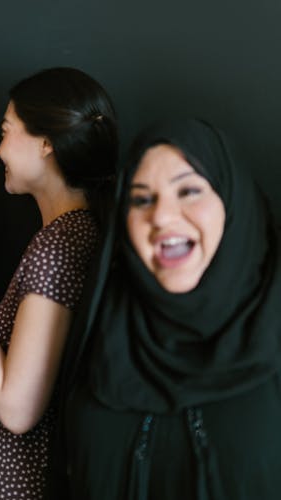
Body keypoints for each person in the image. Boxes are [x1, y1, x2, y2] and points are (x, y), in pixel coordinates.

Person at [60, 119, 281, 499]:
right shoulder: (103, 332)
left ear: (233, 203)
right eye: (142, 199)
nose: (161, 216)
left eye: (189, 191)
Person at [0, 67, 118, 499]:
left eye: (7, 130)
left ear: (46, 144)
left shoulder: (57, 246)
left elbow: (17, 408)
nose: (0, 148)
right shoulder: (83, 232)